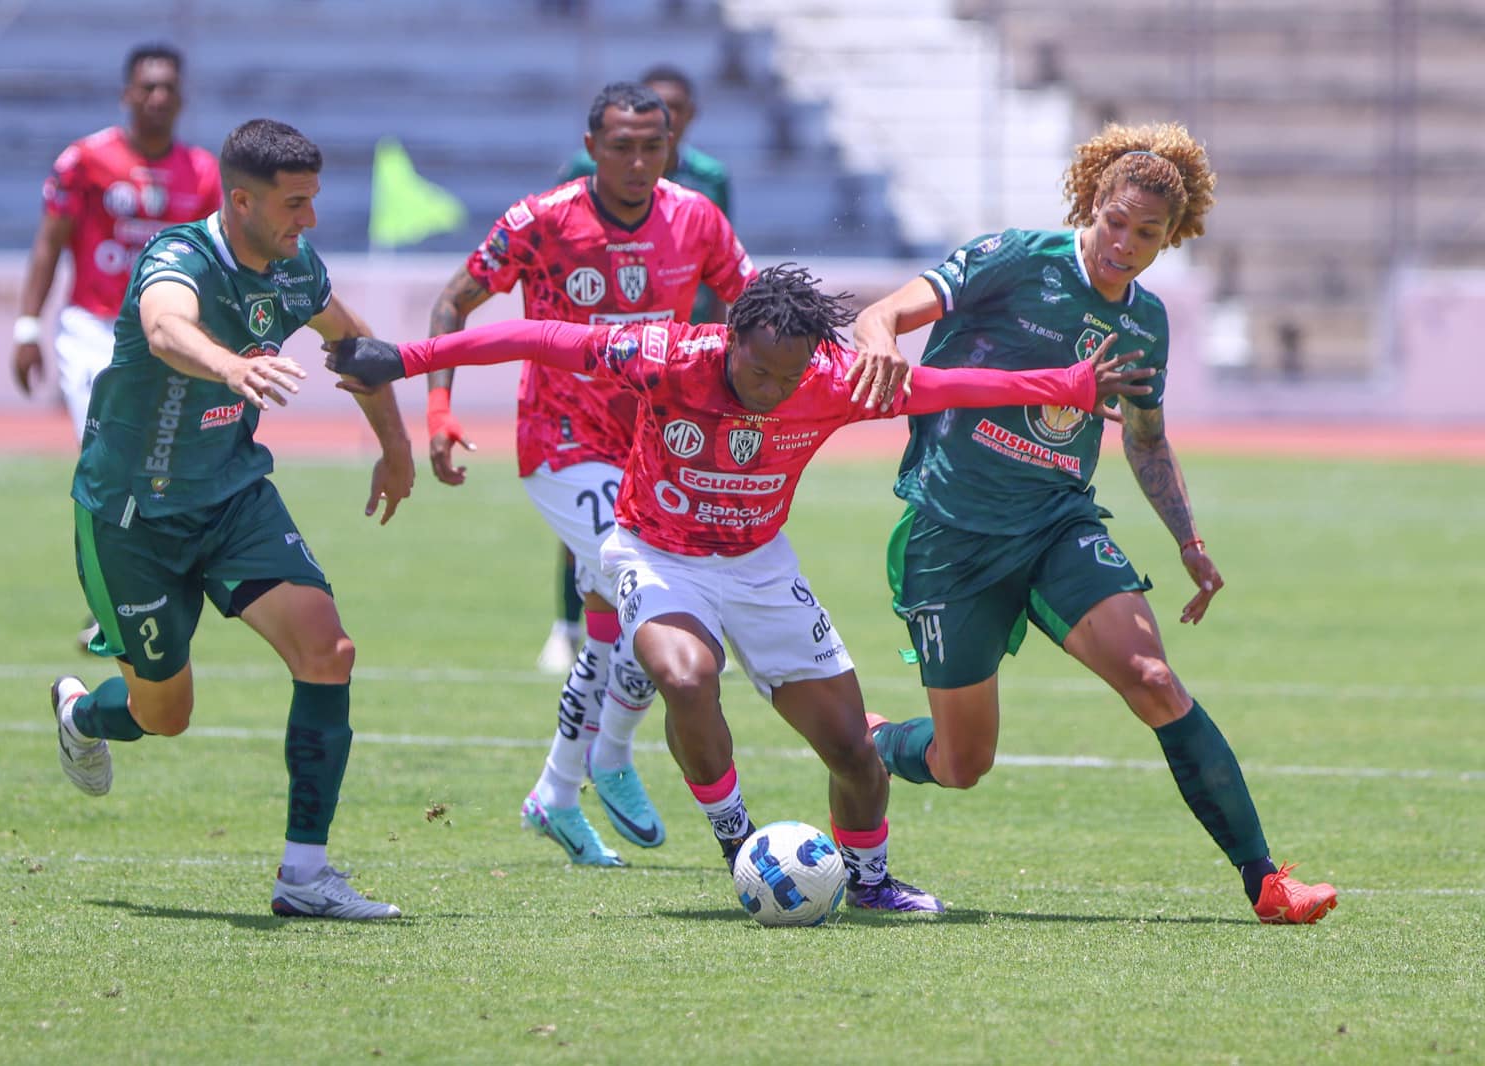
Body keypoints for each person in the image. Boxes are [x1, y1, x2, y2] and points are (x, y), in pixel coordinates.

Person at [328, 264, 1155, 912]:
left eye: (786, 377)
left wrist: (1068, 386)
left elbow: (944, 389)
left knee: (853, 752)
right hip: (655, 552)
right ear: (731, 341)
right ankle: (738, 846)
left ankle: (869, 882)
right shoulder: (665, 356)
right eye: (758, 371)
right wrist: (405, 360)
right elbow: (538, 337)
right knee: (686, 674)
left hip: (762, 566)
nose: (771, 390)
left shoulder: (830, 376)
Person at [851, 122, 1337, 924]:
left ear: (1170, 237)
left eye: (1148, 233)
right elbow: (886, 314)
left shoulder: (1145, 325)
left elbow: (1146, 439)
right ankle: (864, 738)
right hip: (955, 531)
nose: (1126, 243)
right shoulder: (1015, 258)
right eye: (1116, 220)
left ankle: (1266, 880)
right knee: (961, 762)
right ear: (1094, 202)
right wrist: (880, 344)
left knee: (1153, 679)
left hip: (1056, 523)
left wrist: (1188, 539)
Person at [49, 119, 416, 920]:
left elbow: (356, 346)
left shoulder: (295, 270)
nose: (308, 220)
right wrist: (230, 364)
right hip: (131, 515)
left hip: (232, 498)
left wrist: (395, 448)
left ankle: (305, 877)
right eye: (294, 204)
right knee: (164, 715)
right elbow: (163, 328)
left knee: (329, 650)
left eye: (313, 200)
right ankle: (82, 714)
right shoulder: (177, 258)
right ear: (241, 201)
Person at [423, 81, 756, 867]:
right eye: (621, 147)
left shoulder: (697, 218)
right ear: (592, 146)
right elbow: (451, 303)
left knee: (624, 611)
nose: (638, 162)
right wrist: (439, 413)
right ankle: (608, 756)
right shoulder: (540, 221)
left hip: (655, 445)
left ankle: (558, 790)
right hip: (562, 441)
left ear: (670, 147)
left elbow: (751, 311)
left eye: (652, 147)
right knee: (648, 589)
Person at [11, 43, 223, 651]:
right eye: (147, 87)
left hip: (171, 337)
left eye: (168, 88)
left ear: (181, 98)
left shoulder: (204, 173)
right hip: (95, 332)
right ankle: (116, 601)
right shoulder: (85, 160)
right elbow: (51, 243)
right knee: (110, 457)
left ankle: (132, 596)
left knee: (162, 469)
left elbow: (216, 269)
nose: (157, 98)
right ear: (128, 93)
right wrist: (28, 327)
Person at [539, 65, 739, 675]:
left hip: (684, 359)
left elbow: (723, 264)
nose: (650, 147)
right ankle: (567, 625)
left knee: (693, 488)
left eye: (673, 118)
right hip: (605, 364)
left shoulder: (708, 182)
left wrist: (728, 354)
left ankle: (691, 617)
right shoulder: (580, 180)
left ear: (687, 120)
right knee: (596, 498)